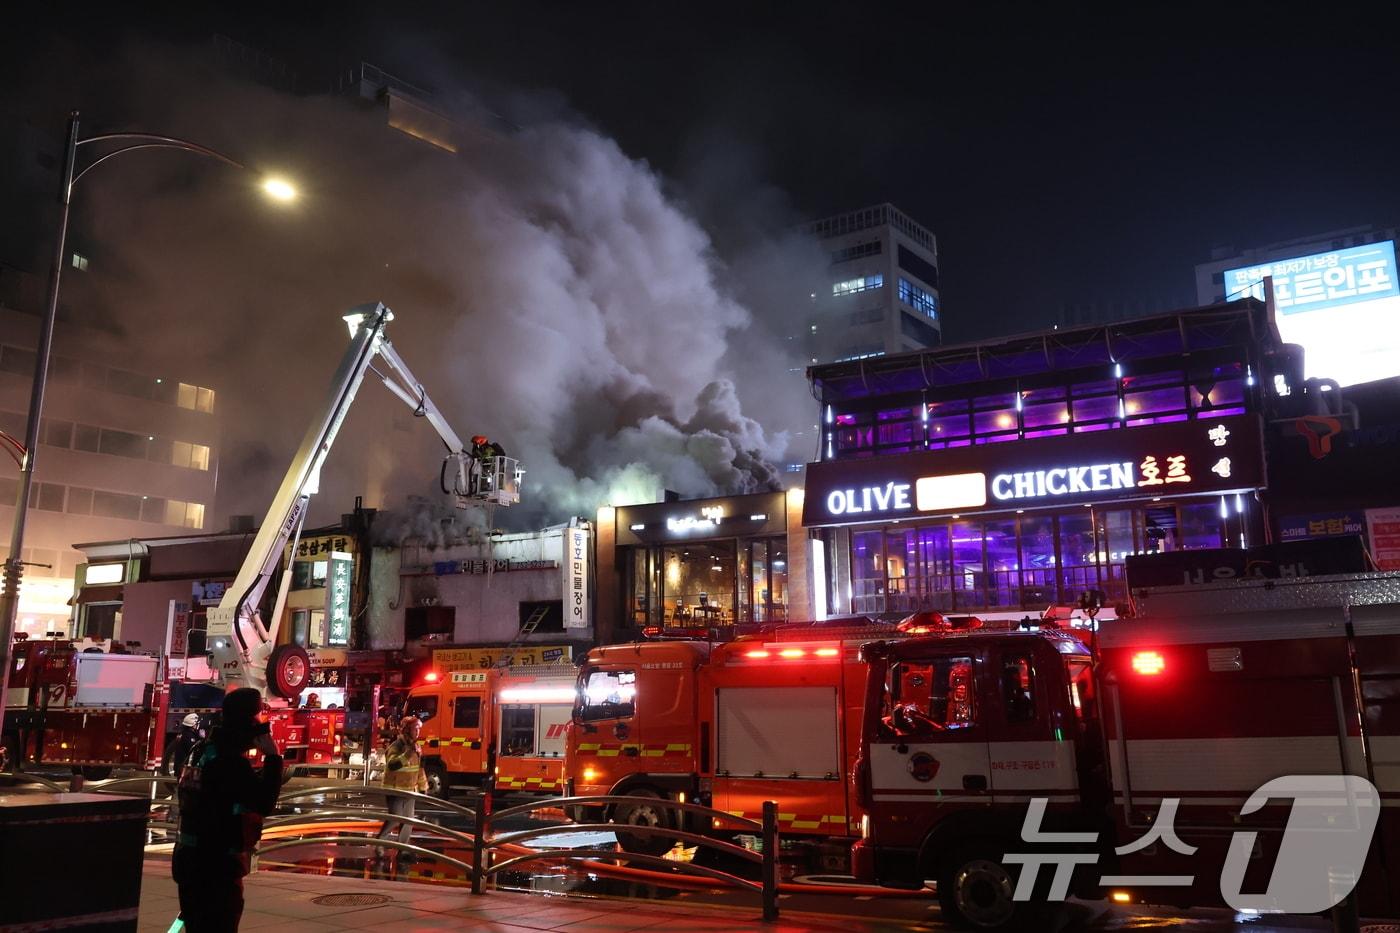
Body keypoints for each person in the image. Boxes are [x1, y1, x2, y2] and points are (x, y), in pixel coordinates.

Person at [172, 688, 284, 933]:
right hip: (217, 868)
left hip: (189, 860)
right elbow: (264, 802)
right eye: (256, 721)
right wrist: (273, 758)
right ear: (246, 724)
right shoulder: (229, 761)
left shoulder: (200, 751)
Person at [377, 715, 428, 850]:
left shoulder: (416, 746)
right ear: (406, 730)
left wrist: (423, 787)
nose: (417, 732)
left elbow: (419, 768)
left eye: (418, 729)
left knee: (408, 821)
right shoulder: (396, 746)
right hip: (395, 789)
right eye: (414, 729)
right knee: (395, 818)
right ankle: (380, 843)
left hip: (410, 790)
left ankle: (403, 850)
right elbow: (393, 764)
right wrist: (407, 754)